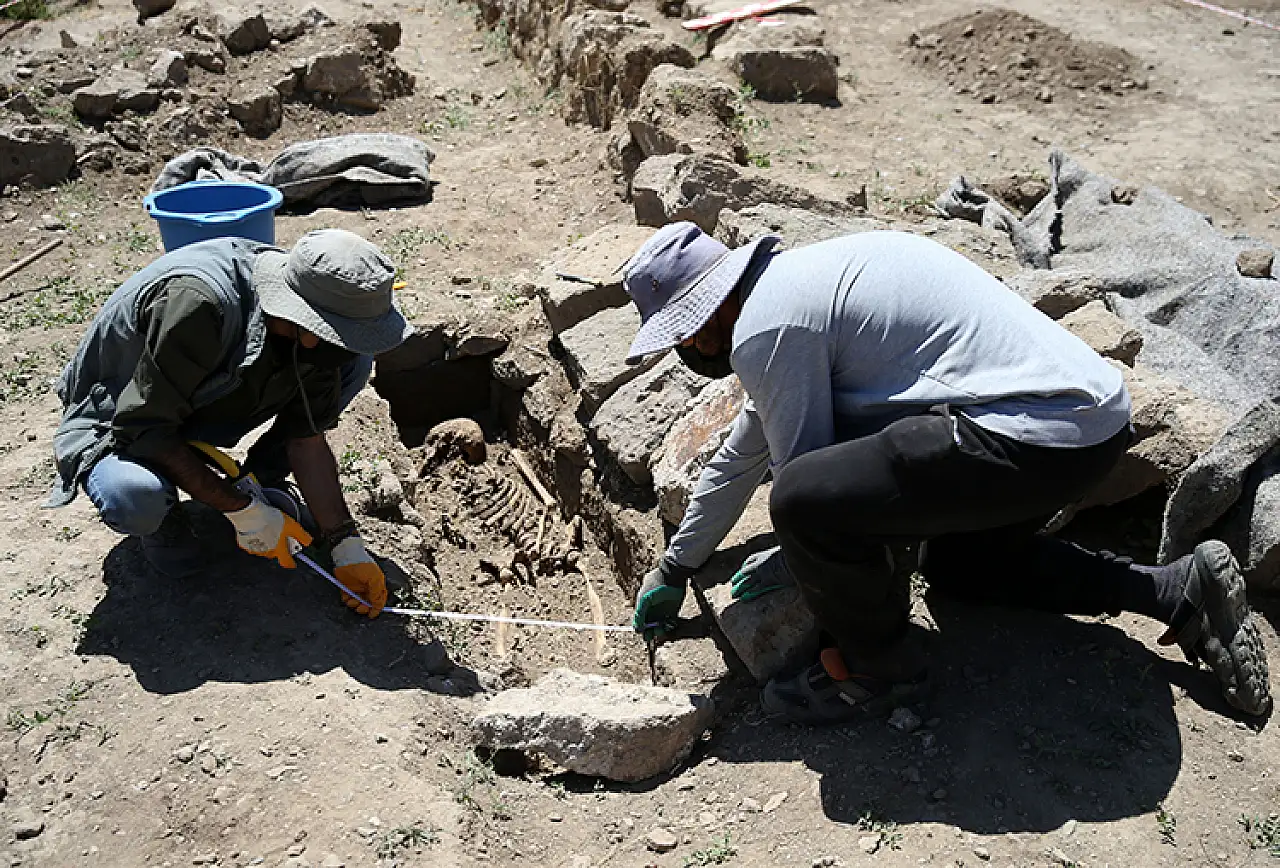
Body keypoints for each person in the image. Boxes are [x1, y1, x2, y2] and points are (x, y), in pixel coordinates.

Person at [624, 221, 1271, 722]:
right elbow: (744, 450)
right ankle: (1172, 591)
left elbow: (806, 483)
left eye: (681, 337)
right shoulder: (804, 283)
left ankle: (875, 669)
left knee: (800, 501)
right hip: (1089, 426)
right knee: (956, 566)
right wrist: (675, 567)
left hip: (1026, 435)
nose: (688, 351)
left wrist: (802, 560)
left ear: (702, 323)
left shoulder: (768, 324)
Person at [46, 228, 413, 618]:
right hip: (122, 413)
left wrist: (345, 542)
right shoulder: (199, 304)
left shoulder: (314, 340)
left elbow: (307, 439)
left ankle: (262, 483)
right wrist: (241, 510)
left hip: (198, 397)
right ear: (312, 328)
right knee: (134, 497)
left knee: (354, 365)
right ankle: (168, 521)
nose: (350, 344)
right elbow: (144, 427)